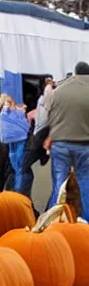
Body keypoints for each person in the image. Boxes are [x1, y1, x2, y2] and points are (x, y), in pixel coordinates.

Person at [47, 62, 89, 219]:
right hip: (85, 145)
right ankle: (86, 223)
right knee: (86, 185)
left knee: (60, 184)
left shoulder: (60, 90)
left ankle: (54, 219)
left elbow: (49, 117)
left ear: (75, 72)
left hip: (60, 143)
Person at [19, 79, 53, 199]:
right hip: (39, 136)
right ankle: (25, 200)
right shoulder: (45, 100)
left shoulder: (46, 99)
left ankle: (24, 199)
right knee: (24, 168)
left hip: (39, 137)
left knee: (24, 168)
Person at [0, 95, 29, 192]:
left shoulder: (9, 112)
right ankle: (18, 189)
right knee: (17, 163)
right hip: (16, 138)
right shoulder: (12, 112)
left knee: (17, 163)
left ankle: (18, 188)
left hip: (14, 139)